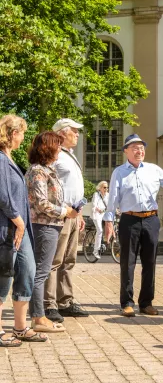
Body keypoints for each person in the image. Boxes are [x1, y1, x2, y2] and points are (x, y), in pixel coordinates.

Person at [104, 134, 163, 317]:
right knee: (127, 263)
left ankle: (146, 303)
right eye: (135, 148)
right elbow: (113, 199)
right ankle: (127, 303)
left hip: (151, 220)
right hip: (129, 220)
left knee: (150, 262)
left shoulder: (153, 169)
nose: (140, 151)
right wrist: (108, 221)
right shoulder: (119, 172)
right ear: (126, 151)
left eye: (142, 148)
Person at [0, 115, 47, 346]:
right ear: (12, 133)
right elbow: (2, 195)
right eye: (21, 133)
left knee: (27, 272)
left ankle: (20, 327)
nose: (23, 137)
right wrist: (18, 221)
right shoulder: (0, 159)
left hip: (21, 228)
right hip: (7, 227)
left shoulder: (10, 158)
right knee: (3, 277)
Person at [26, 132, 79, 333]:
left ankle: (38, 316)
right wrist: (64, 211)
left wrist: (68, 209)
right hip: (44, 226)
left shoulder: (48, 170)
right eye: (57, 146)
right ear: (47, 148)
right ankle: (38, 318)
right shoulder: (38, 171)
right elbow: (41, 203)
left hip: (52, 225)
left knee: (42, 271)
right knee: (41, 272)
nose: (59, 150)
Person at [45, 118, 87, 323]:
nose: (78, 134)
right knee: (54, 260)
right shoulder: (54, 155)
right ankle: (49, 304)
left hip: (73, 214)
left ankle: (66, 301)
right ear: (62, 134)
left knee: (69, 260)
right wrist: (63, 210)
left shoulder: (69, 155)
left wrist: (78, 213)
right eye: (74, 131)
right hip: (60, 214)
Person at [92, 181, 109, 259]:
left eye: (107, 187)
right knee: (100, 230)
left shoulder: (107, 195)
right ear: (100, 188)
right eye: (104, 187)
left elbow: (110, 205)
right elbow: (94, 205)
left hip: (104, 215)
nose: (106, 189)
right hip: (97, 215)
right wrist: (98, 209)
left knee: (112, 224)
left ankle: (107, 242)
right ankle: (96, 251)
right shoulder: (96, 195)